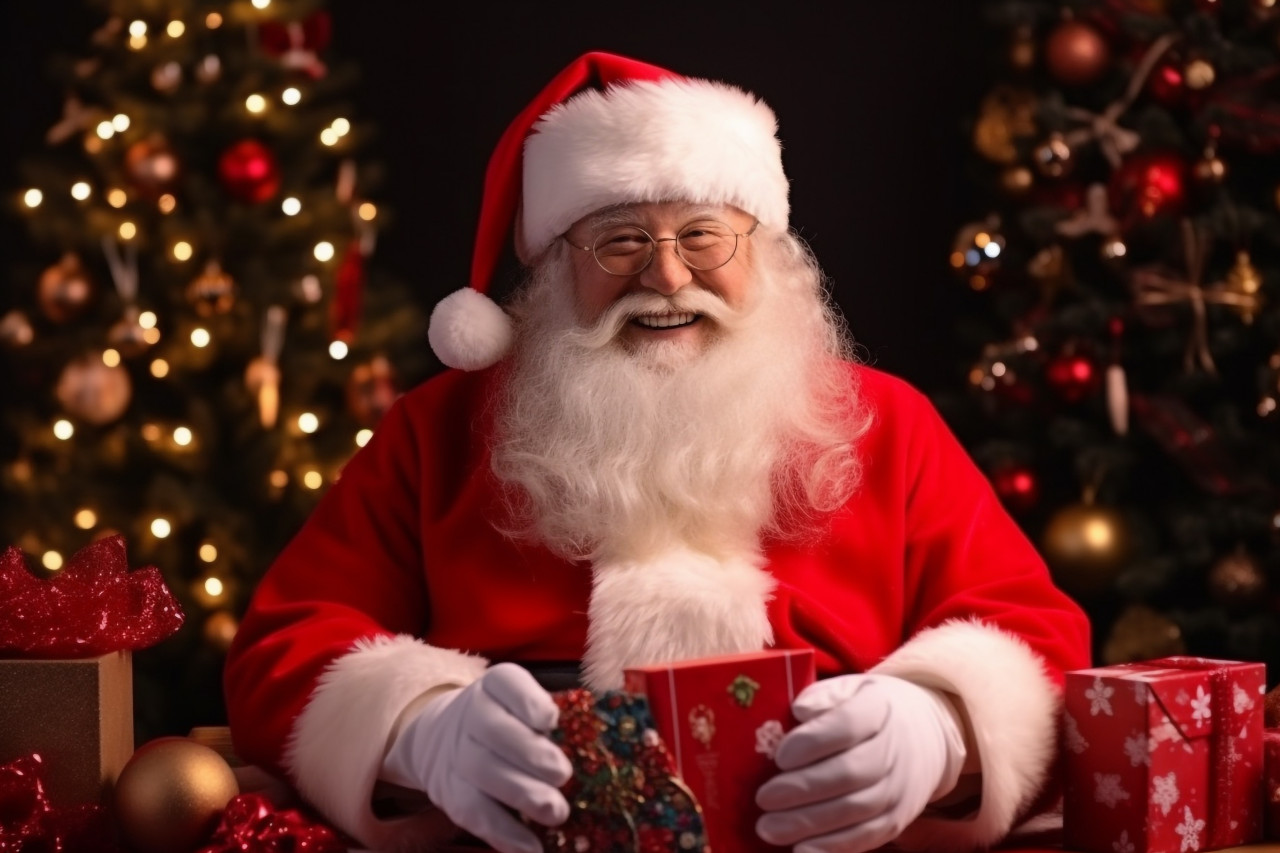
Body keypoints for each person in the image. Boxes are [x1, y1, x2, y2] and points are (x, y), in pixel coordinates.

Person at [224, 51, 1091, 853]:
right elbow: (284, 646)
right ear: (559, 265)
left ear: (765, 250)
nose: (668, 278)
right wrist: (421, 731)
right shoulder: (437, 430)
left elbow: (1036, 635)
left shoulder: (883, 422)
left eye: (704, 235)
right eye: (621, 240)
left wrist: (939, 728)